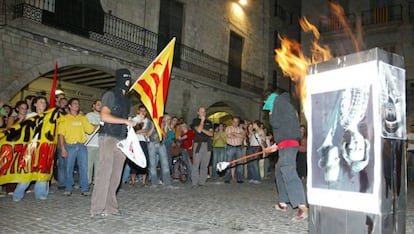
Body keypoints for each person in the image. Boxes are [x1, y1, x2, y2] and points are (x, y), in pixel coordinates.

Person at [90, 68, 140, 218]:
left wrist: (137, 120)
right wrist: (125, 121)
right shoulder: (110, 94)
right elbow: (104, 116)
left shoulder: (127, 101)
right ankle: (97, 209)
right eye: (125, 78)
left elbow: (128, 121)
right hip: (108, 137)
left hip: (122, 140)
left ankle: (110, 208)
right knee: (104, 173)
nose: (128, 81)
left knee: (116, 175)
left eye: (129, 78)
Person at [263, 91, 308, 221]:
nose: (265, 107)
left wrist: (271, 115)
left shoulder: (278, 104)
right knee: (279, 170)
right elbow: (286, 128)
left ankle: (302, 206)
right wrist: (276, 145)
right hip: (286, 143)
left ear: (268, 100)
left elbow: (276, 124)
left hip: (288, 144)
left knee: (288, 170)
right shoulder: (284, 104)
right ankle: (283, 203)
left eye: (265, 104)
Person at [12, 96, 49, 201]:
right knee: (27, 170)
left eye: (44, 102)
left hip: (44, 146)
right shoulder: (30, 116)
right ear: (35, 104)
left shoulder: (48, 116)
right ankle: (18, 194)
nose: (43, 103)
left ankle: (40, 192)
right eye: (40, 102)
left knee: (42, 169)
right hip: (31, 146)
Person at [58, 98, 97, 196]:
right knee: (68, 168)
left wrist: (101, 124)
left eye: (78, 103)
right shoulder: (64, 119)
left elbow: (91, 129)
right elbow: (61, 135)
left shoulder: (82, 118)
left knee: (84, 167)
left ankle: (84, 188)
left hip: (81, 146)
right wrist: (63, 148)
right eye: (74, 103)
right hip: (70, 146)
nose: (77, 105)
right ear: (70, 106)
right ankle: (68, 188)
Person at [147, 114, 175, 189]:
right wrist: (153, 126)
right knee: (153, 165)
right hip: (152, 144)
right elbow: (148, 134)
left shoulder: (162, 124)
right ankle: (154, 183)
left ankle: (167, 183)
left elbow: (165, 136)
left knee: (165, 164)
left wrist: (163, 127)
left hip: (161, 144)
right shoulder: (150, 123)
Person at [191, 107, 214, 186]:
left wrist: (203, 130)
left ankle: (202, 182)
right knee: (196, 164)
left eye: (204, 112)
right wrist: (202, 121)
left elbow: (211, 134)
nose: (203, 113)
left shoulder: (209, 122)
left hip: (207, 145)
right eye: (201, 112)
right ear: (198, 113)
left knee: (205, 164)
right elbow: (198, 130)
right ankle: (194, 182)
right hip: (198, 144)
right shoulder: (195, 121)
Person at [224, 116, 245, 184]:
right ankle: (227, 178)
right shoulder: (228, 128)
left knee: (240, 163)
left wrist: (234, 134)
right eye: (234, 121)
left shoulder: (240, 129)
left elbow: (243, 136)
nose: (235, 123)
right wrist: (238, 135)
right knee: (228, 163)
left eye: (237, 121)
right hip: (230, 147)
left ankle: (239, 178)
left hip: (238, 147)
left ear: (238, 122)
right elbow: (228, 136)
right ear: (232, 121)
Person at [85, 99, 102, 186]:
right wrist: (100, 127)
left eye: (101, 105)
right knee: (89, 165)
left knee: (98, 165)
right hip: (90, 143)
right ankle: (87, 182)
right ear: (93, 106)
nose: (100, 106)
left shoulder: (104, 116)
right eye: (98, 104)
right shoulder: (89, 115)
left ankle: (97, 182)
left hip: (100, 144)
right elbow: (90, 128)